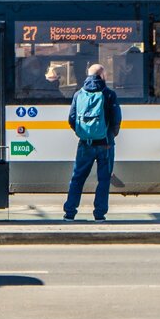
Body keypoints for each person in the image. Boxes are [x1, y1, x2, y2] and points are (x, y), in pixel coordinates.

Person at [62, 64, 121, 222]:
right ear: (102, 75)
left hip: (85, 144)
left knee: (77, 177)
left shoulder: (78, 94)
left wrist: (83, 134)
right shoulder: (109, 94)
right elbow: (116, 119)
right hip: (106, 144)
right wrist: (110, 136)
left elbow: (71, 119)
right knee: (103, 179)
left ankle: (69, 212)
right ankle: (99, 214)